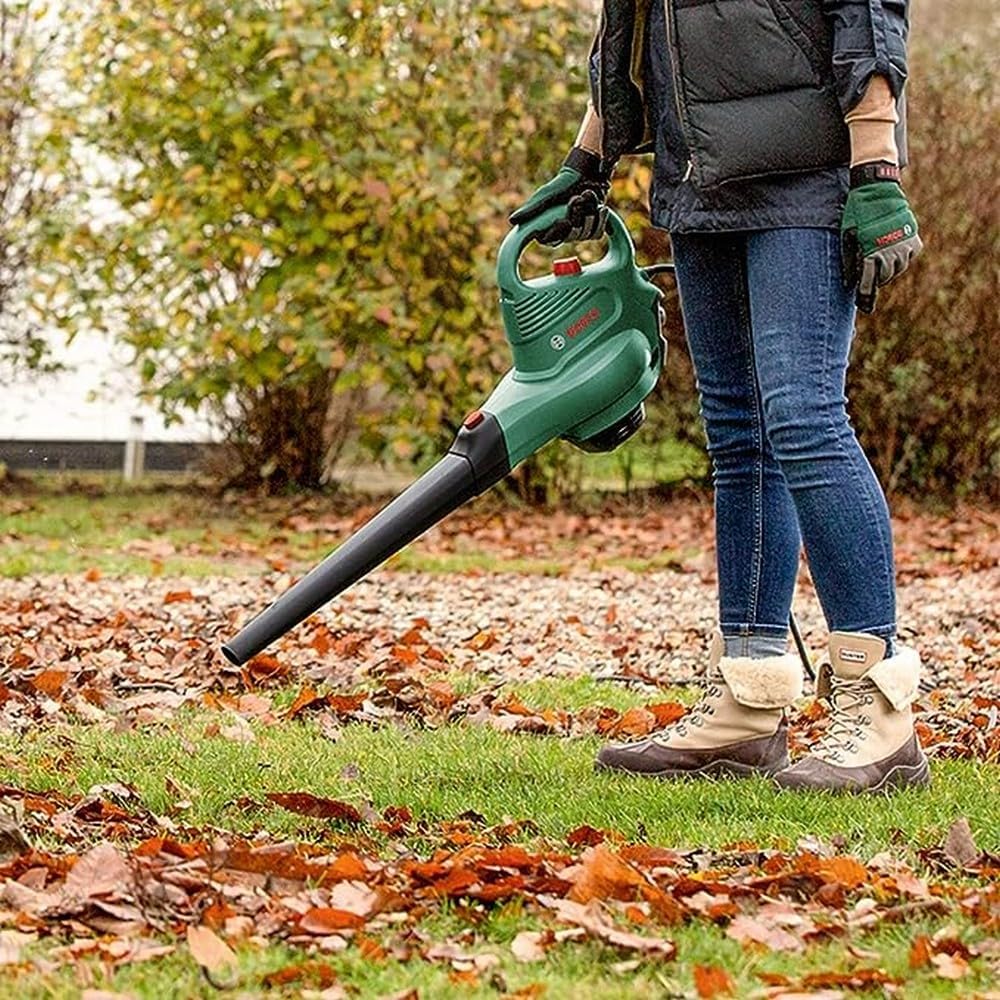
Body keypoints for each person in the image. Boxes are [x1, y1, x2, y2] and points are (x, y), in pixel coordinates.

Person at [510, 0, 926, 793]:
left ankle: (880, 713)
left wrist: (877, 167)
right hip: (699, 176)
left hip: (806, 172)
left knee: (804, 416)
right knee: (740, 436)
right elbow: (629, 26)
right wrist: (588, 157)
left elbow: (867, 14)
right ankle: (748, 699)